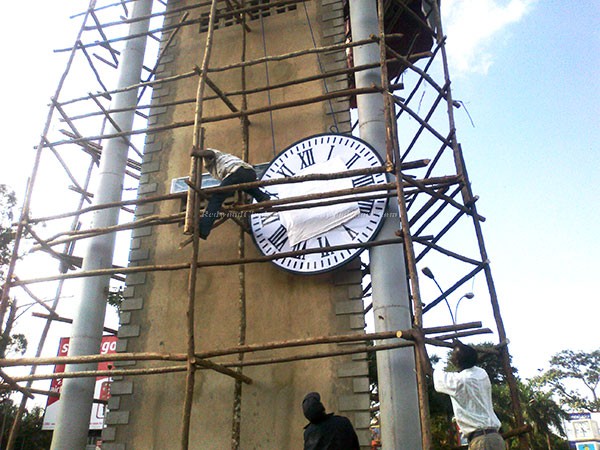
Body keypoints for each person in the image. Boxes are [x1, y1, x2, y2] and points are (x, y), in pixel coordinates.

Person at [431, 341, 505, 450]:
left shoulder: (459, 381)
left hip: (481, 442)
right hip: (495, 438)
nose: (451, 356)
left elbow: (431, 372)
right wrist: (461, 347)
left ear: (457, 361)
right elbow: (468, 358)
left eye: (453, 354)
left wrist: (420, 343)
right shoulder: (482, 374)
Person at [196, 148, 270, 239]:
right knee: (247, 187)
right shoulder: (225, 158)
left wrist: (196, 153)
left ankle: (203, 229)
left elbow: (209, 153)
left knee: (216, 199)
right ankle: (263, 197)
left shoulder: (214, 155)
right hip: (249, 172)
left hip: (236, 172)